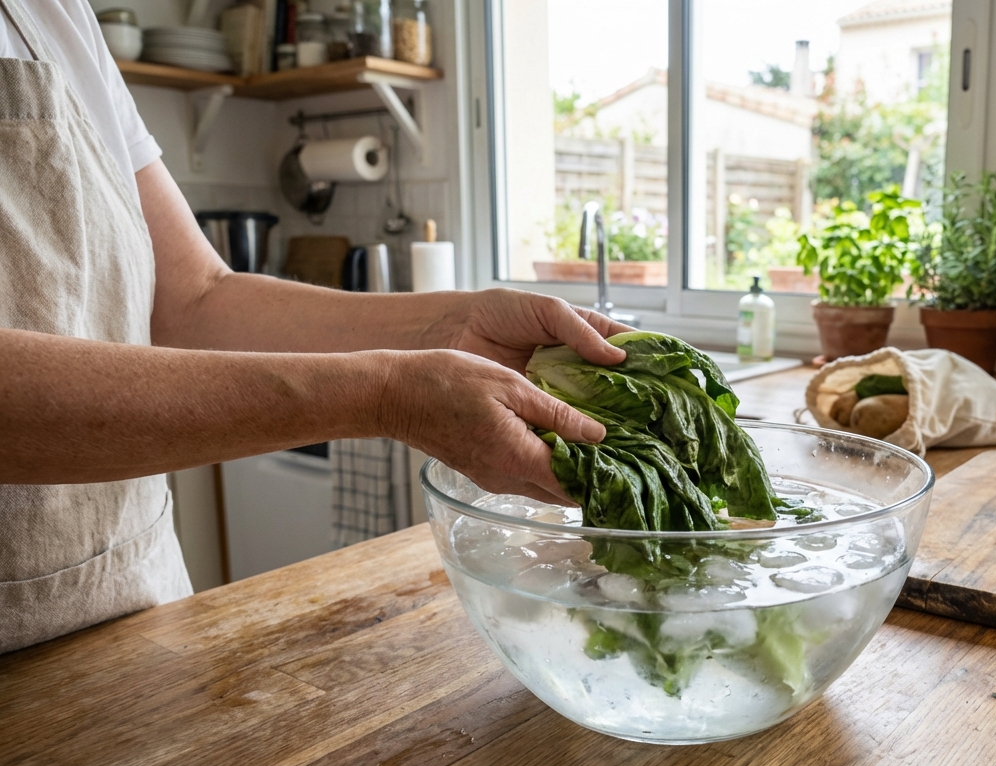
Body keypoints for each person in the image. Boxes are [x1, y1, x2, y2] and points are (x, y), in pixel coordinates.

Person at [0, 0, 628, 654]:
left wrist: (455, 323)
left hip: (138, 611)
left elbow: (196, 295)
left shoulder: (56, 13)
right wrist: (386, 394)